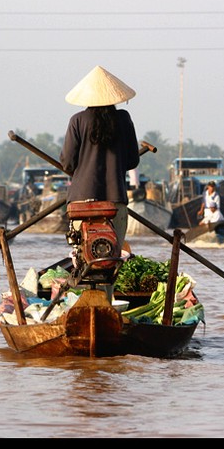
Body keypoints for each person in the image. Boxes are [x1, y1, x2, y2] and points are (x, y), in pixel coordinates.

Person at [59, 65, 140, 301]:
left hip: (80, 202)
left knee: (83, 258)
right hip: (114, 202)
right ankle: (105, 304)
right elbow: (132, 160)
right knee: (109, 258)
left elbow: (67, 163)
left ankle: (85, 304)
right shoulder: (123, 120)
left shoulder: (77, 121)